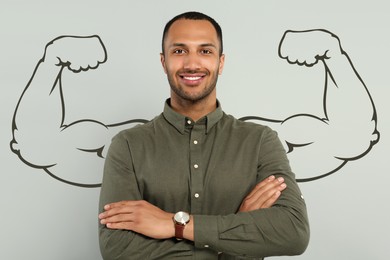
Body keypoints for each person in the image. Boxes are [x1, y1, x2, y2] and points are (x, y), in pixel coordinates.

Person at [98, 11, 309, 259]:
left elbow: (293, 231)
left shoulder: (261, 141)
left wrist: (174, 224)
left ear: (220, 62)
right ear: (163, 61)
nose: (192, 64)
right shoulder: (128, 145)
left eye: (205, 51)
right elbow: (118, 248)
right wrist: (236, 235)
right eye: (179, 51)